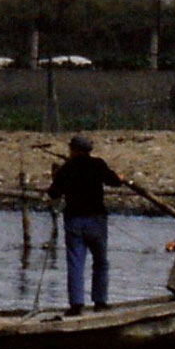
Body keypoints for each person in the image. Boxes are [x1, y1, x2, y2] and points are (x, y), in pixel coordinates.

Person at [46, 133, 123, 314]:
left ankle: (76, 304)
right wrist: (120, 176)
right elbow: (115, 182)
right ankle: (100, 302)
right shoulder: (98, 164)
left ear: (73, 150)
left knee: (75, 263)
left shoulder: (66, 168)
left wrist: (57, 179)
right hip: (96, 220)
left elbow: (54, 193)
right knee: (101, 262)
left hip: (74, 220)